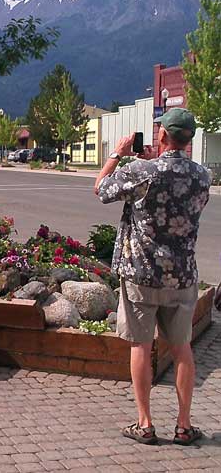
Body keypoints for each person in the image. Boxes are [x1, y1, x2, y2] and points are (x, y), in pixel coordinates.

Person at [94, 108, 211, 445]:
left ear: (162, 135)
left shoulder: (142, 171)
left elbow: (101, 189)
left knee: (141, 346)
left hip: (141, 274)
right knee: (182, 348)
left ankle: (145, 423)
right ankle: (184, 425)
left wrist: (119, 153)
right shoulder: (202, 176)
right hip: (182, 277)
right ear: (189, 139)